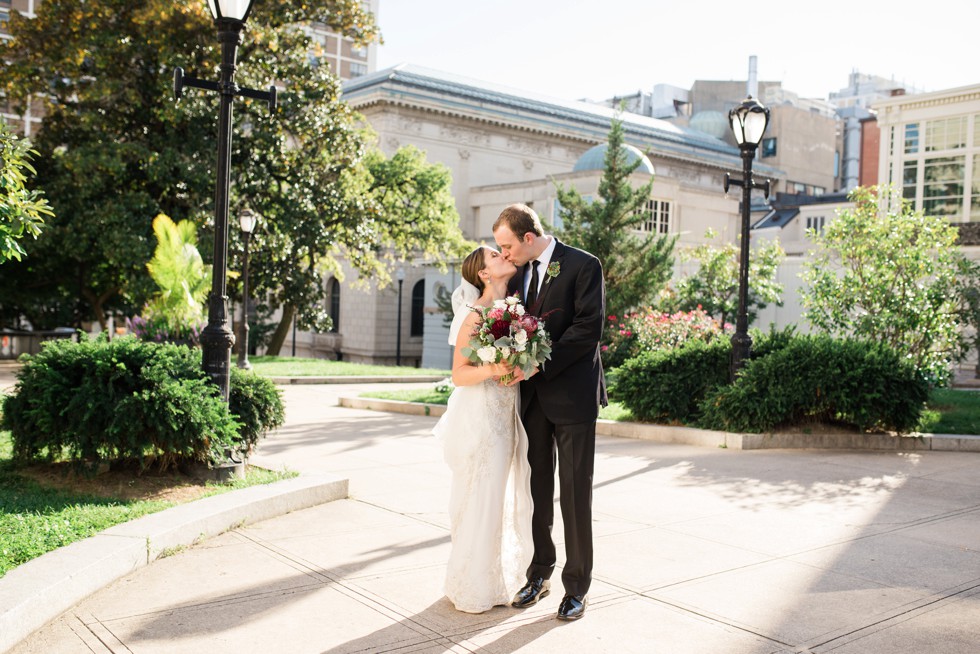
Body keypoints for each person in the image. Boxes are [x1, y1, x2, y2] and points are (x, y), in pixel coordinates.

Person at [493, 203, 606, 621]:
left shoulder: (582, 265)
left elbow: (588, 328)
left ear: (528, 237)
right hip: (532, 398)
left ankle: (577, 587)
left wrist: (541, 362)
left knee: (575, 494)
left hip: (573, 395)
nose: (503, 255)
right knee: (536, 490)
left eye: (507, 246)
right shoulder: (516, 274)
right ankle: (539, 574)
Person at [432, 245, 534, 614]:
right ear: (484, 274)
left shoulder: (515, 310)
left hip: (506, 416)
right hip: (482, 418)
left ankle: (493, 578)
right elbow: (460, 375)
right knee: (481, 494)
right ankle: (471, 583)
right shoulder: (475, 314)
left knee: (498, 497)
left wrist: (523, 363)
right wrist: (495, 369)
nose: (503, 255)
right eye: (495, 255)